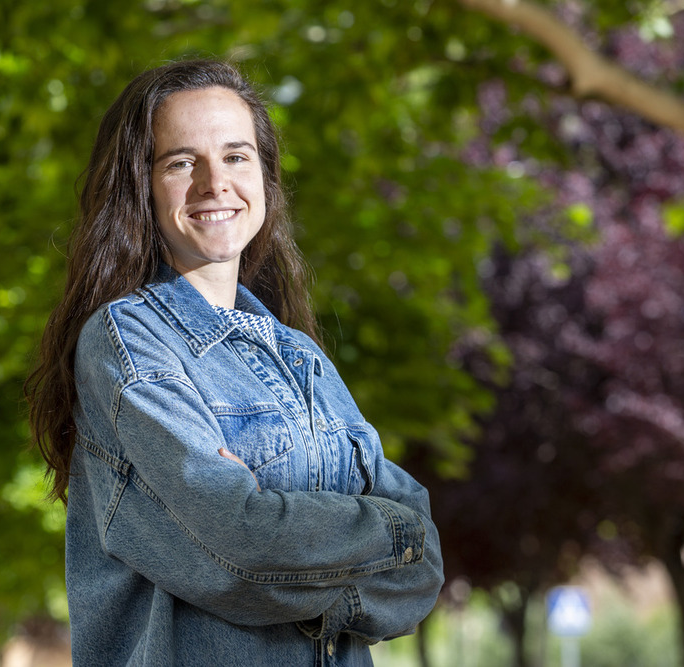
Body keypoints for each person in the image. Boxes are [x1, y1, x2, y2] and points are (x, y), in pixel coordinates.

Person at [25, 59, 444, 666]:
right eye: (180, 162)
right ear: (138, 185)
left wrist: (291, 538)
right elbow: (242, 543)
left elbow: (425, 571)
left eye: (236, 156)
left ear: (266, 178)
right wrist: (391, 535)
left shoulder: (300, 355)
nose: (214, 182)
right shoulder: (128, 341)